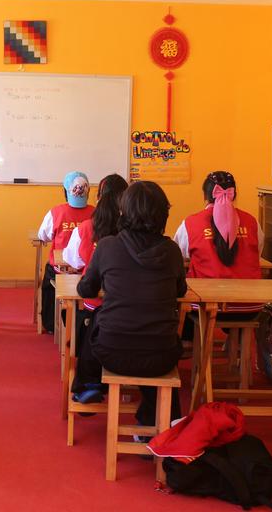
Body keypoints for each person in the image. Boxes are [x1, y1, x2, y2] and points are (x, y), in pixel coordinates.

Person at [72, 181, 185, 430]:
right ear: (163, 214)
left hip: (112, 352)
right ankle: (153, 424)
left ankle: (87, 384)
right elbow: (180, 291)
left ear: (123, 212)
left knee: (99, 316)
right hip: (161, 355)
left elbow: (86, 290)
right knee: (152, 335)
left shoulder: (107, 245)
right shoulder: (172, 251)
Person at [173, 171, 264, 342]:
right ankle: (236, 349)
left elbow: (180, 255)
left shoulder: (190, 223)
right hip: (250, 307)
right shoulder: (252, 222)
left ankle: (194, 346)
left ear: (205, 196)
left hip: (204, 306)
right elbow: (257, 255)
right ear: (234, 194)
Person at [37, 171, 94, 333]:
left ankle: (50, 324)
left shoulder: (55, 212)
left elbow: (43, 236)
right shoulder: (96, 213)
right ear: (88, 191)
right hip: (87, 272)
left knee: (48, 279)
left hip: (60, 271)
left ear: (64, 191)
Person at [63, 173, 129, 314]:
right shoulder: (132, 230)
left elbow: (74, 262)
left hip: (93, 305)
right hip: (127, 304)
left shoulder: (85, 228)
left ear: (99, 197)